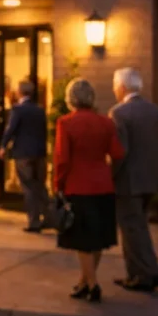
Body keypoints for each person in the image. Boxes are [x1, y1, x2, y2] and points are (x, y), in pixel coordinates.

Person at [53, 78, 125, 303]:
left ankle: (93, 285)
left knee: (82, 238)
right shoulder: (106, 122)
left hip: (78, 185)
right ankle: (84, 282)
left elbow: (62, 159)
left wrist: (58, 184)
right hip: (103, 185)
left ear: (70, 99)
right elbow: (117, 153)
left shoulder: (66, 123)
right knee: (97, 237)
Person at [110, 68, 158, 292]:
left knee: (132, 229)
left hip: (129, 181)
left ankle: (145, 274)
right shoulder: (155, 111)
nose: (114, 91)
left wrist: (110, 176)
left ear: (122, 87)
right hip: (151, 178)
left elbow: (119, 152)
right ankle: (138, 273)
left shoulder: (119, 113)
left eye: (115, 86)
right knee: (139, 226)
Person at [0, 80, 50, 232]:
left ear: (19, 92)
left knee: (28, 187)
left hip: (23, 153)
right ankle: (49, 217)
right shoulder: (40, 110)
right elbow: (44, 131)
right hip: (39, 152)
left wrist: (3, 146)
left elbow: (11, 129)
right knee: (39, 186)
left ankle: (34, 221)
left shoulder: (18, 110)